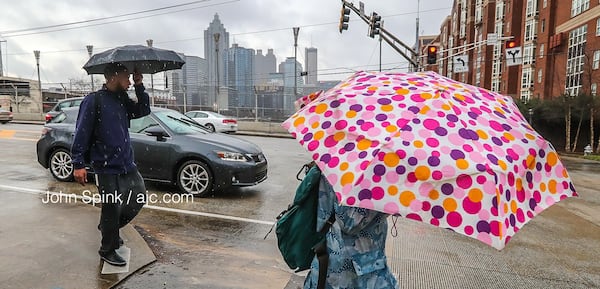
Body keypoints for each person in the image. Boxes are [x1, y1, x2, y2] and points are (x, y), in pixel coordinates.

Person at [71, 62, 151, 266]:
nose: (130, 81)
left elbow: (142, 110)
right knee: (111, 207)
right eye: (127, 77)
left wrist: (140, 86)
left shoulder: (122, 99)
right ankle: (108, 248)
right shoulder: (94, 100)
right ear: (113, 76)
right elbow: (81, 132)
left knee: (138, 197)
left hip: (126, 163)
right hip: (105, 166)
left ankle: (109, 228)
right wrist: (78, 163)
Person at [303, 173, 399, 289]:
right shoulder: (370, 172)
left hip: (331, 257)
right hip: (348, 269)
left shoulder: (337, 160)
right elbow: (349, 223)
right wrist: (387, 198)